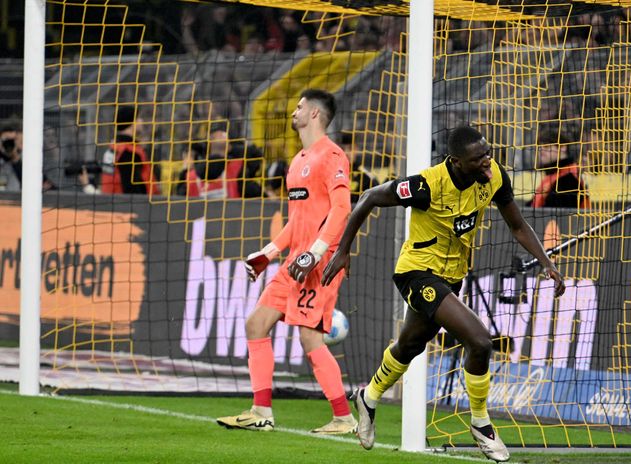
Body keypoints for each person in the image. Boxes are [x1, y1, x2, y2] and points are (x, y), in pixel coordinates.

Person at [321, 126, 566, 462]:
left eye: (487, 153)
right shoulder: (426, 185)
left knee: (410, 345)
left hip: (452, 277)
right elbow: (369, 197)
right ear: (456, 162)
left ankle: (369, 396)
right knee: (480, 340)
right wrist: (343, 250)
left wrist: (546, 263)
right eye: (478, 158)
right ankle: (481, 423)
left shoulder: (493, 176)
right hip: (416, 272)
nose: (487, 161)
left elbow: (518, 225)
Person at [216, 89, 356, 434]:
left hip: (320, 263)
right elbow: (296, 221)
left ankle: (344, 418)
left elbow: (342, 209)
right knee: (255, 324)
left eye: (299, 106)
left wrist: (316, 252)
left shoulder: (333, 156)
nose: (294, 111)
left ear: (314, 114)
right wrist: (268, 253)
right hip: (295, 262)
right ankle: (260, 412)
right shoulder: (297, 161)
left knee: (310, 338)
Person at [176, 128, 262, 199]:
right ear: (228, 147)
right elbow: (257, 194)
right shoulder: (237, 170)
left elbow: (179, 200)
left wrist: (185, 170)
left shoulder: (190, 177)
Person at [99, 105, 160, 196]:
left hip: (112, 200)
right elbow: (131, 188)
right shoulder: (128, 152)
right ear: (132, 123)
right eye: (138, 118)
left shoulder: (114, 147)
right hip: (129, 203)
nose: (141, 121)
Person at [528, 129, 589, 209]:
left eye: (546, 146)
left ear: (562, 147)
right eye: (539, 148)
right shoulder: (552, 176)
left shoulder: (569, 179)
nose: (541, 151)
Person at [0, 120, 23, 192]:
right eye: (6, 140)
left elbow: (27, 181)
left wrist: (15, 159)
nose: (9, 143)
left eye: (13, 140)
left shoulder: (28, 157)